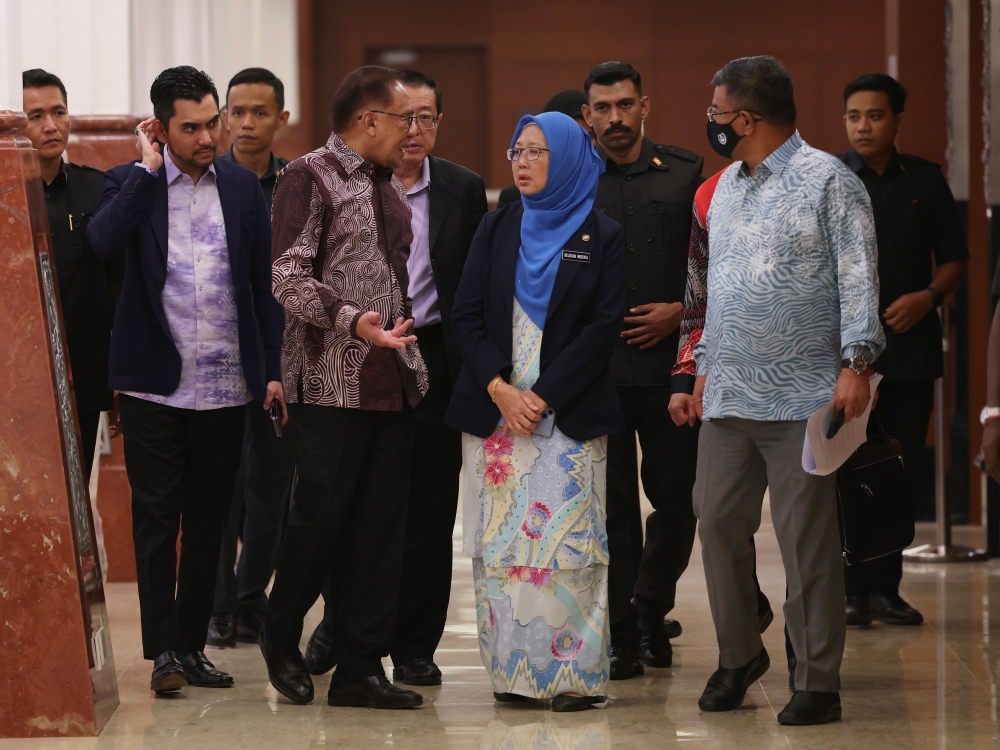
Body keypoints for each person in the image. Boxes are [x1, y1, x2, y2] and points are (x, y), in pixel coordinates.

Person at [692, 56, 884, 726]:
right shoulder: (722, 188)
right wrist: (701, 367)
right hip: (728, 392)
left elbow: (859, 275)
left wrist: (857, 361)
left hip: (804, 397)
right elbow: (715, 288)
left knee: (806, 543)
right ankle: (740, 654)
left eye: (717, 112)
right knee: (716, 523)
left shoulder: (829, 180)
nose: (712, 122)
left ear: (745, 119)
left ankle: (818, 680)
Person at [86, 66, 286, 695]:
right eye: (190, 128)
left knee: (208, 522)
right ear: (161, 129)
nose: (207, 138)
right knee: (155, 518)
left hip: (225, 382)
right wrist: (146, 171)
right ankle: (163, 653)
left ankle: (193, 645)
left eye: (211, 123)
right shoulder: (130, 181)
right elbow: (101, 242)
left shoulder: (242, 187)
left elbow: (264, 287)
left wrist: (273, 369)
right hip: (154, 383)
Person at [300, 70, 489, 684]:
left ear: (439, 123)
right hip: (357, 353)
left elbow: (472, 285)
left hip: (431, 356)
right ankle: (342, 624)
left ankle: (414, 647)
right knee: (357, 504)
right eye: (404, 116)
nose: (414, 129)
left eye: (425, 117)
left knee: (430, 510)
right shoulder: (347, 181)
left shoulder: (462, 188)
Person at [446, 111, 626, 712]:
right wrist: (500, 390)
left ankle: (573, 676)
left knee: (568, 546)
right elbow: (466, 315)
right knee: (501, 546)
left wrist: (541, 396)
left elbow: (602, 329)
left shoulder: (602, 234)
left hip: (567, 415)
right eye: (516, 151)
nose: (521, 163)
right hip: (498, 417)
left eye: (536, 152)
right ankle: (513, 672)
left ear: (569, 159)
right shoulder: (496, 227)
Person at [260, 66, 428, 710]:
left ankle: (360, 667)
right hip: (330, 382)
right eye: (404, 119)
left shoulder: (389, 185)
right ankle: (280, 634)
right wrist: (353, 320)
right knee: (319, 520)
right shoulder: (308, 176)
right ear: (368, 121)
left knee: (380, 530)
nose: (413, 131)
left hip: (392, 381)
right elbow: (286, 277)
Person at [580, 60, 704, 679]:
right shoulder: (572, 179)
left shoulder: (685, 173)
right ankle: (623, 633)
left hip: (669, 371)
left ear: (644, 106)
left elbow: (714, 263)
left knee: (679, 499)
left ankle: (653, 607)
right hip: (598, 372)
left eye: (625, 104)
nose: (615, 118)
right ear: (587, 116)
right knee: (612, 511)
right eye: (602, 108)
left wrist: (681, 310)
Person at [839, 73, 967, 627]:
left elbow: (955, 258)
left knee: (898, 469)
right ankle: (850, 589)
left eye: (875, 115)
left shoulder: (927, 180)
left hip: (909, 350)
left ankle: (886, 589)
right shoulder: (830, 178)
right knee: (844, 469)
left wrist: (928, 297)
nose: (863, 126)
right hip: (844, 357)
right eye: (853, 116)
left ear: (897, 121)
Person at [207, 67, 294, 649]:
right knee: (220, 485)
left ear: (280, 119)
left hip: (281, 358)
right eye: (236, 112)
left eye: (259, 112)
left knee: (272, 487)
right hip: (216, 357)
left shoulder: (298, 186)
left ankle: (249, 596)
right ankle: (217, 605)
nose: (246, 124)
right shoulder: (207, 182)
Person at [21, 69, 123, 481]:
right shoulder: (7, 196)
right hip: (18, 378)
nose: (51, 125)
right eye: (36, 116)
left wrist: (119, 377)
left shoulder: (97, 189)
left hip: (84, 374)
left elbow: (117, 288)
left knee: (76, 491)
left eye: (58, 112)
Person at [495, 90, 593, 209]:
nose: (521, 162)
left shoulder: (599, 191)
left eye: (589, 137)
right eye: (516, 151)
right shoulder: (508, 208)